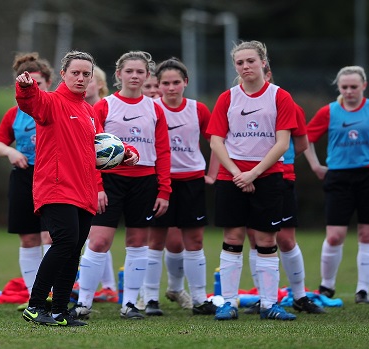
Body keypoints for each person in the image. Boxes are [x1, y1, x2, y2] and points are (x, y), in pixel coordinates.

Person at [15, 50, 138, 327]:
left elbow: (101, 143)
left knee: (73, 249)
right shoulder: (51, 102)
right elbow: (31, 102)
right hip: (57, 187)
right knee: (65, 243)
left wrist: (127, 152)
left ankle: (59, 310)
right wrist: (25, 87)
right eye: (75, 73)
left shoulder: (88, 111)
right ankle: (35, 306)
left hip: (83, 191)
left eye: (86, 74)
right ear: (63, 74)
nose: (81, 78)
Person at [71, 50, 171, 320]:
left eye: (140, 72)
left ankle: (130, 304)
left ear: (148, 75)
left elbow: (163, 152)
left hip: (145, 183)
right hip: (111, 182)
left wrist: (164, 190)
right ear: (118, 75)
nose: (135, 76)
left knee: (138, 242)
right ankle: (83, 303)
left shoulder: (156, 109)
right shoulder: (104, 106)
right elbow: (88, 149)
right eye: (129, 71)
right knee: (99, 241)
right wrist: (98, 186)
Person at [304, 65, 369, 304]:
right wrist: (315, 165)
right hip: (339, 178)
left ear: (364, 86)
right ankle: (327, 286)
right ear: (339, 88)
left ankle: (363, 290)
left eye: (354, 86)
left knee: (367, 234)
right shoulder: (328, 112)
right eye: (345, 87)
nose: (350, 91)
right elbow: (306, 139)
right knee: (334, 235)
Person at [207, 40, 298, 321]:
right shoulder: (228, 97)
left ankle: (269, 304)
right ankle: (229, 303)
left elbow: (282, 144)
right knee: (232, 238)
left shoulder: (280, 97)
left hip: (268, 176)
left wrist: (254, 173)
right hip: (231, 177)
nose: (245, 67)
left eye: (250, 61)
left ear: (263, 63)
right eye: (240, 62)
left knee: (266, 238)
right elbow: (215, 141)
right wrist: (237, 173)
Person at [244, 63, 325, 315]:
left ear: (268, 75)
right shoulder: (239, 104)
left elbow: (301, 143)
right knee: (254, 239)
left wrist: (279, 162)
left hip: (281, 178)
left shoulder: (287, 104)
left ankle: (300, 295)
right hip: (246, 178)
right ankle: (263, 296)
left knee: (286, 239)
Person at [142, 57, 220, 316]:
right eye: (166, 83)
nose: (171, 87)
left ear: (186, 82)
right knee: (156, 240)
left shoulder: (198, 109)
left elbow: (217, 141)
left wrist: (211, 173)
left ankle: (199, 299)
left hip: (191, 182)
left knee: (194, 240)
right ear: (158, 84)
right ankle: (151, 298)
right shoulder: (150, 108)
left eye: (176, 82)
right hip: (159, 181)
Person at [0, 52, 54, 305]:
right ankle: (33, 296)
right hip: (24, 177)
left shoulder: (56, 108)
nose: (32, 88)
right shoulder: (14, 113)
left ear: (48, 84)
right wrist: (11, 151)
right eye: (26, 84)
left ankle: (52, 291)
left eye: (37, 84)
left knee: (51, 235)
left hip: (53, 177)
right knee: (28, 237)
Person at [82, 65, 120, 303]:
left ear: (101, 84)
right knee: (93, 236)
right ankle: (95, 285)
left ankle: (108, 286)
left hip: (110, 180)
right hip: (88, 178)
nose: (85, 82)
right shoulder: (79, 109)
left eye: (90, 79)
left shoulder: (107, 107)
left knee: (98, 236)